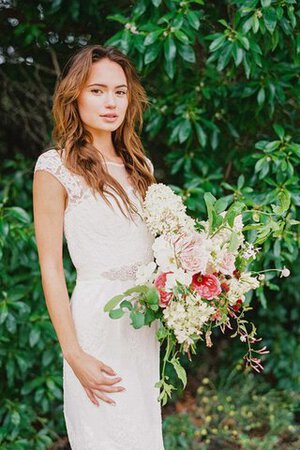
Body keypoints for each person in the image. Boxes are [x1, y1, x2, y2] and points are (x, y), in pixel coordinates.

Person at [32, 44, 165, 450]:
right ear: (74, 95)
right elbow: (52, 268)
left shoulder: (140, 166)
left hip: (144, 325)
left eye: (120, 92)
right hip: (96, 327)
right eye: (97, 90)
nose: (111, 102)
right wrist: (74, 354)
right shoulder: (54, 167)